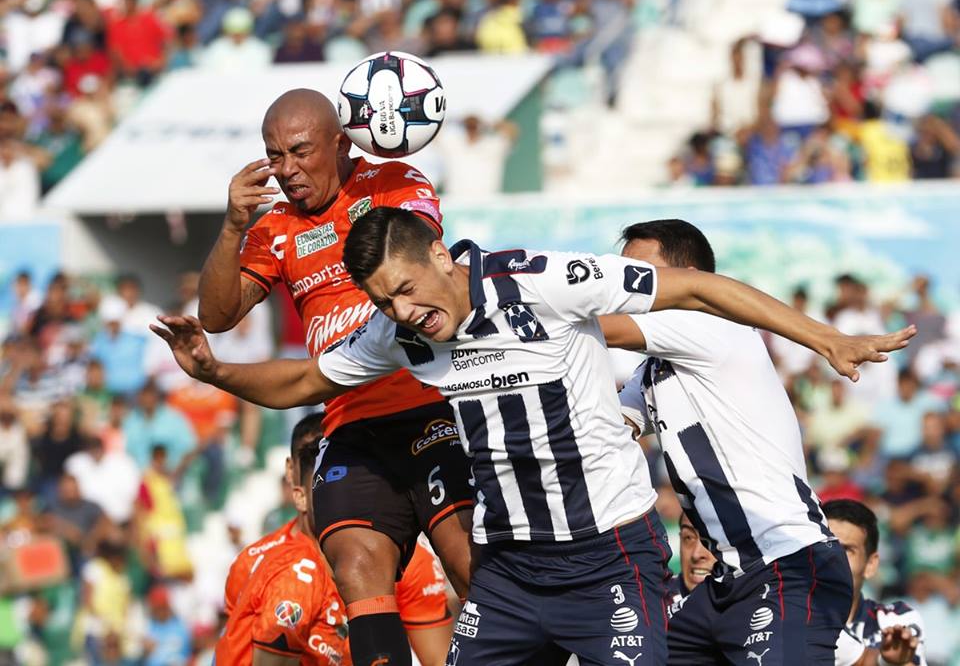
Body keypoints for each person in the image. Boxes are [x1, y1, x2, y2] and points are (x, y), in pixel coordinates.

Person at [154, 206, 914, 665]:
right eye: (386, 304)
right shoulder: (406, 336)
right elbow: (308, 381)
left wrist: (827, 340)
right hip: (512, 572)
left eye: (410, 291)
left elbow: (696, 287)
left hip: (610, 558)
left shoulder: (545, 281)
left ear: (444, 260)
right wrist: (215, 370)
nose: (406, 314)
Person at [197, 88, 473, 666]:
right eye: (274, 156)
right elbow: (216, 316)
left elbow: (419, 254)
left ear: (342, 141)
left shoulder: (394, 182)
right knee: (353, 566)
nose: (287, 169)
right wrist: (231, 226)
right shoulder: (274, 229)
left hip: (430, 406)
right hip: (347, 421)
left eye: (299, 151)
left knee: (468, 561)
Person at [612, 219, 857, 664]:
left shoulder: (710, 326)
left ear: (690, 279)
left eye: (638, 274)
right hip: (730, 580)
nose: (623, 286)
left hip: (788, 565)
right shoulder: (652, 370)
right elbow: (611, 427)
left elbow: (594, 328)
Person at [219, 413, 454, 665]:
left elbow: (439, 659)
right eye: (326, 484)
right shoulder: (283, 571)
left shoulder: (411, 562)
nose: (336, 499)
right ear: (296, 485)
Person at [823, 499, 927, 666]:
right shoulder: (780, 611)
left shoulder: (897, 620)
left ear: (870, 565)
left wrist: (890, 662)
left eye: (847, 550)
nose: (835, 559)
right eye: (826, 546)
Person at [665, 513, 717, 619]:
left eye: (712, 540)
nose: (696, 554)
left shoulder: (755, 602)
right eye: (688, 537)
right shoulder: (654, 603)